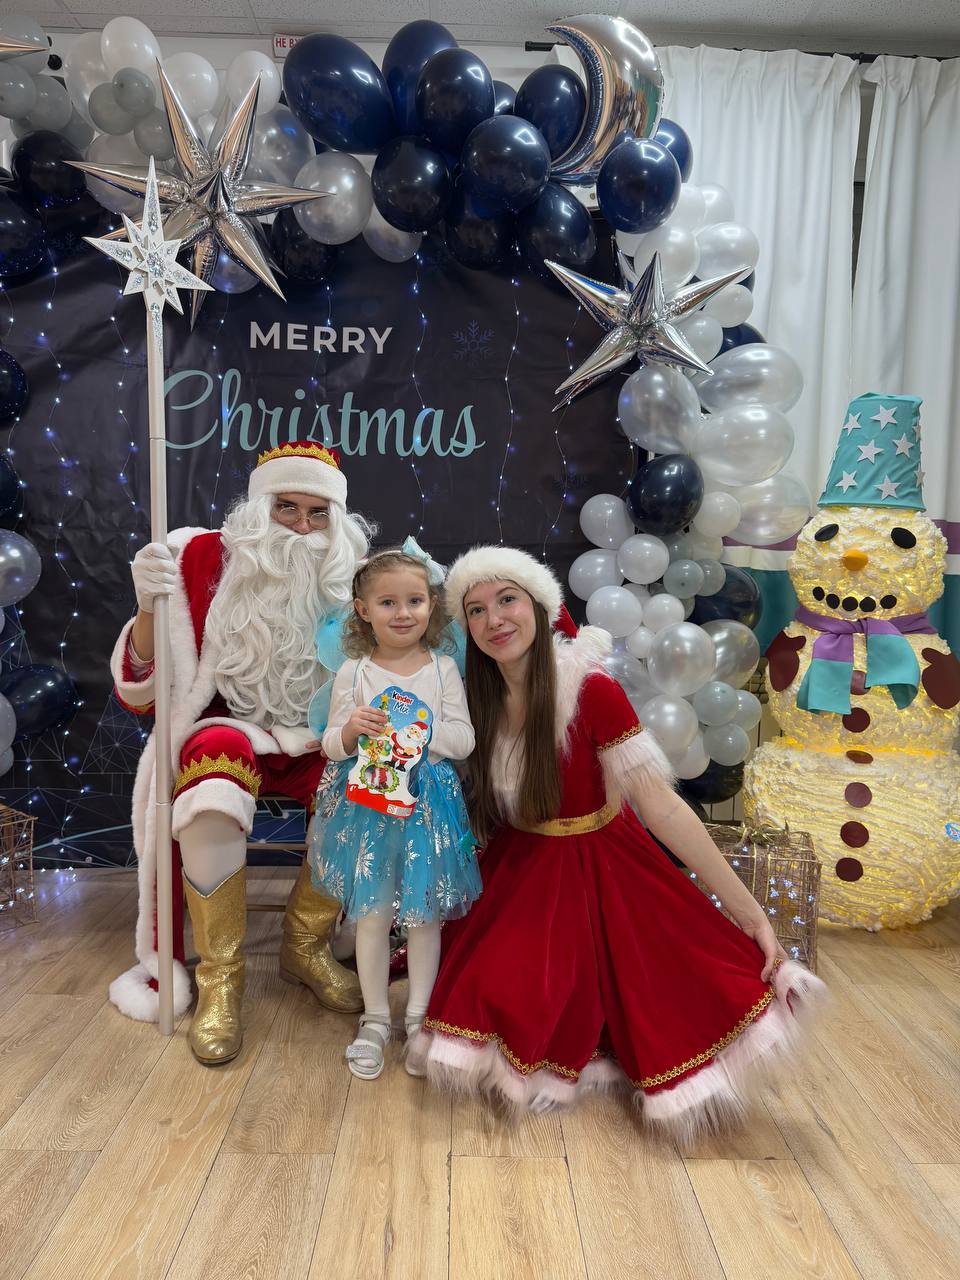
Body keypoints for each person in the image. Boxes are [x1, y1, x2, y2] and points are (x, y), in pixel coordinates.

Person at [408, 546, 826, 1139]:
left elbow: (662, 807)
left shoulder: (591, 690)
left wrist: (749, 912)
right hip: (521, 863)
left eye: (507, 600)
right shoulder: (475, 696)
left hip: (602, 861)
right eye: (476, 610)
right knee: (495, 989)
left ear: (540, 606)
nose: (493, 619)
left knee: (649, 986)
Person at [108, 442, 374, 1066]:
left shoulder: (356, 572)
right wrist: (147, 607)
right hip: (226, 725)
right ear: (259, 507)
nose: (302, 527)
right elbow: (140, 688)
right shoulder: (198, 559)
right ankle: (221, 978)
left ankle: (304, 945)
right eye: (287, 507)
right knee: (211, 787)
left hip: (320, 733)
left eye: (318, 513)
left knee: (371, 781)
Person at [311, 542, 481, 1081]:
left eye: (414, 601)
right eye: (388, 603)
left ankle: (420, 1018)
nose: (402, 613)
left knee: (424, 916)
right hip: (370, 809)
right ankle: (376, 1020)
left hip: (428, 808)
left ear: (431, 605)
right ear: (364, 610)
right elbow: (330, 746)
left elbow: (465, 740)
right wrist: (350, 731)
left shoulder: (443, 668)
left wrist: (422, 729)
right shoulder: (355, 672)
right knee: (373, 915)